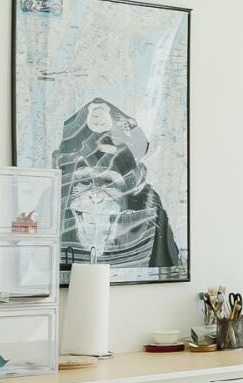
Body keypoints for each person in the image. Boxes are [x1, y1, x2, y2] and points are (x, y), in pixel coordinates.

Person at [54, 98, 183, 278]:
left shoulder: (149, 212)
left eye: (108, 183)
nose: (96, 197)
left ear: (133, 186)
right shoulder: (52, 207)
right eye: (83, 182)